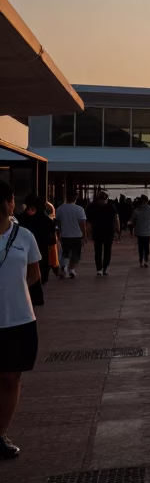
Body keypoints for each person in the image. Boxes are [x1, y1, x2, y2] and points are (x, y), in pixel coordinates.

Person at [0, 181, 43, 459]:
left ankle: (0, 434)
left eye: (8, 200)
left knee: (10, 378)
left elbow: (34, 274)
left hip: (19, 319)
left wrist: (14, 293)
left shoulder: (24, 235)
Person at [19, 196, 56, 292]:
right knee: (39, 277)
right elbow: (52, 240)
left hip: (23, 252)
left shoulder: (20, 219)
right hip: (42, 252)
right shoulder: (47, 221)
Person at [85, 191, 121, 276]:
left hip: (103, 231)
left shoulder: (92, 207)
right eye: (103, 199)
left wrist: (117, 229)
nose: (104, 201)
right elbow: (116, 219)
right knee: (102, 250)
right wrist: (117, 230)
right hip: (103, 231)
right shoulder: (111, 206)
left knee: (101, 250)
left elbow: (116, 219)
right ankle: (102, 268)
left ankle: (101, 268)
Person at [55, 191, 86, 278]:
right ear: (75, 198)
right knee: (76, 254)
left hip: (65, 235)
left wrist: (58, 233)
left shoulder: (60, 209)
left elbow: (58, 223)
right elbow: (82, 224)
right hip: (77, 235)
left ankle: (64, 267)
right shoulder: (79, 209)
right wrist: (85, 235)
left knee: (65, 253)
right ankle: (71, 269)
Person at [129, 196, 150, 267]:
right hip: (147, 232)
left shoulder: (136, 210)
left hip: (139, 231)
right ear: (147, 201)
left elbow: (133, 221)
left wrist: (132, 229)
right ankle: (145, 259)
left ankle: (141, 259)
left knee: (140, 246)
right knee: (146, 246)